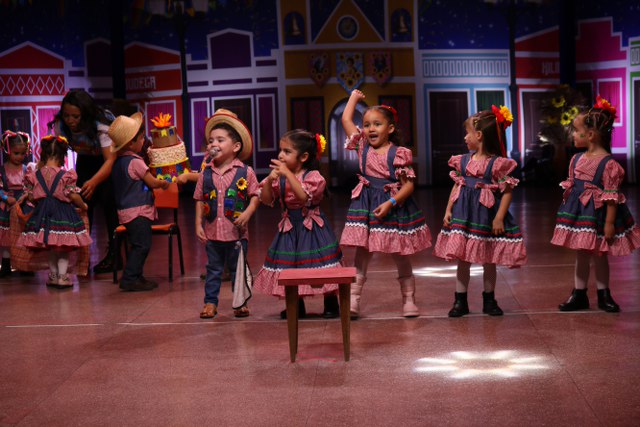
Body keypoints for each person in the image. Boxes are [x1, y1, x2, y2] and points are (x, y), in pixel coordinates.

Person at [340, 90, 431, 319]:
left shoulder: (398, 153)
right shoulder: (362, 146)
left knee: (400, 253)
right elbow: (346, 120)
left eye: (377, 124)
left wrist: (391, 202)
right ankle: (354, 299)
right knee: (362, 253)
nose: (371, 129)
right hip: (367, 204)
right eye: (367, 124)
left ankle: (408, 299)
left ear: (390, 129)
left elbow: (408, 186)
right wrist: (353, 98)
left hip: (393, 206)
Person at [433, 106, 527, 317]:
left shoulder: (497, 164)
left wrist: (499, 218)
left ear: (479, 135)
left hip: (486, 216)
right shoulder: (463, 161)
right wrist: (448, 209)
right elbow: (457, 186)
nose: (465, 137)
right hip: (463, 215)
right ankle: (460, 300)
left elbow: (507, 191)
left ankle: (489, 299)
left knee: (488, 259)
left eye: (467, 133)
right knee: (463, 258)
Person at [551, 96, 640, 312]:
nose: (573, 135)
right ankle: (579, 294)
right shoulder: (576, 159)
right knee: (581, 254)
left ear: (590, 135)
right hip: (581, 216)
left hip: (598, 217)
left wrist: (609, 223)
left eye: (576, 131)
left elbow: (611, 197)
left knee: (600, 255)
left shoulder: (609, 164)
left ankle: (604, 294)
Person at [253, 129, 342, 319]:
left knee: (321, 263)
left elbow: (303, 197)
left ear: (303, 157)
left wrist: (287, 174)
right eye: (280, 150)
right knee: (290, 265)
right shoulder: (280, 177)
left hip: (312, 228)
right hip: (290, 227)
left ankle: (331, 302)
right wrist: (269, 180)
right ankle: (296, 305)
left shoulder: (313, 176)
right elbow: (267, 200)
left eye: (287, 151)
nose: (280, 155)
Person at [195, 109, 260, 318]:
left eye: (220, 140)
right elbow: (200, 198)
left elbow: (255, 195)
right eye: (211, 141)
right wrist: (198, 224)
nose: (213, 144)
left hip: (236, 234)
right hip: (213, 232)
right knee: (213, 269)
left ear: (236, 146)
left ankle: (240, 302)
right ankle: (210, 303)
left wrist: (248, 212)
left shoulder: (245, 171)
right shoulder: (205, 173)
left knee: (237, 269)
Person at [49, 89, 119, 274]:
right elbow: (57, 154)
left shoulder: (101, 124)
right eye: (67, 115)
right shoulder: (61, 125)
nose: (70, 120)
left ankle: (115, 255)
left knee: (109, 203)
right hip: (86, 159)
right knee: (83, 206)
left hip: (107, 161)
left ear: (85, 114)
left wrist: (94, 182)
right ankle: (83, 257)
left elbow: (110, 160)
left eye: (75, 116)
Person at [16, 135, 92, 288]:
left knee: (50, 247)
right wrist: (83, 205)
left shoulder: (35, 175)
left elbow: (31, 196)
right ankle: (62, 278)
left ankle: (53, 276)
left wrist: (39, 203)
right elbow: (72, 195)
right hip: (62, 215)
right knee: (63, 248)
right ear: (62, 156)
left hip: (43, 215)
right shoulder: (66, 175)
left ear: (44, 154)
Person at [108, 113, 170, 292]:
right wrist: (163, 183)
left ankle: (136, 275)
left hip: (125, 211)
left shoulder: (118, 162)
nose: (144, 141)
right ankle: (130, 278)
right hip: (138, 212)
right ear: (130, 143)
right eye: (141, 138)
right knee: (142, 245)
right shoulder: (136, 162)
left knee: (137, 244)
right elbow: (152, 182)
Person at [0, 131, 33, 276]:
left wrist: (25, 195)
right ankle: (6, 263)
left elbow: (30, 186)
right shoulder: (2, 169)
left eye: (22, 153)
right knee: (7, 235)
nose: (20, 157)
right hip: (7, 207)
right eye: (16, 153)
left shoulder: (26, 169)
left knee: (22, 234)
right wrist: (5, 197)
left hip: (22, 206)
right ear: (8, 150)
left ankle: (24, 264)